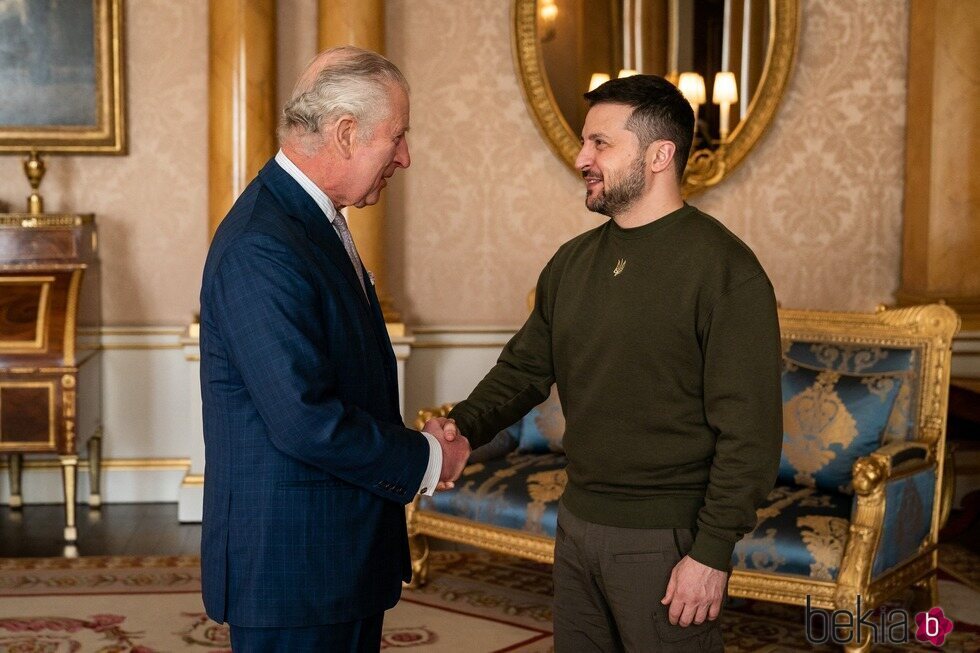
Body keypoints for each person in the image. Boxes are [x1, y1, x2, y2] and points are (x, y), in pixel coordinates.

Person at [441, 75, 783, 651]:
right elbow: (522, 370)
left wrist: (711, 552)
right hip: (576, 525)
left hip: (668, 537)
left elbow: (750, 432)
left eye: (600, 143)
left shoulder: (725, 269)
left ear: (659, 155)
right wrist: (460, 429)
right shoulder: (572, 262)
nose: (581, 158)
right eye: (584, 143)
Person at [198, 46, 471, 652]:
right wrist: (426, 459)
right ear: (347, 134)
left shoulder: (308, 219)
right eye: (396, 137)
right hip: (293, 573)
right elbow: (303, 420)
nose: (406, 156)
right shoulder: (263, 243)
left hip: (334, 562)